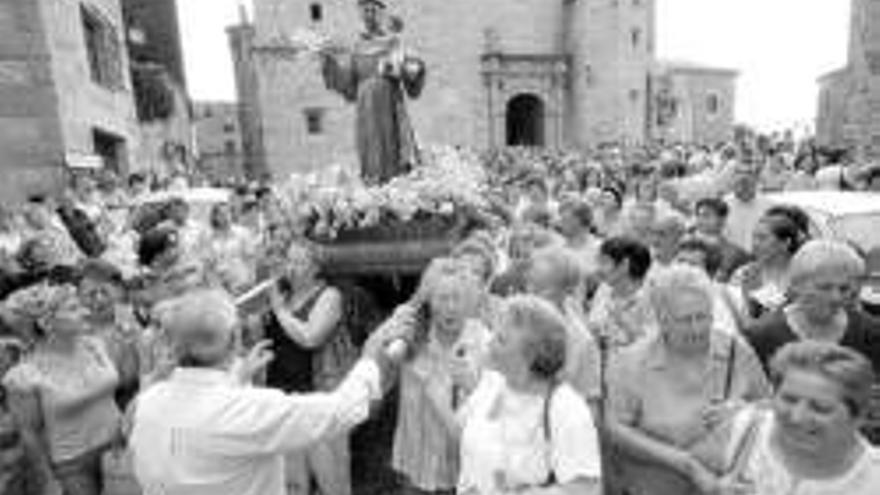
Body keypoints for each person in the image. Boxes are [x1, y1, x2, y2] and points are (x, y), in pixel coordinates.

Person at [127, 289, 410, 495]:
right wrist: (370, 357)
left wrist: (237, 377)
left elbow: (199, 412)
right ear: (235, 339)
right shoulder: (249, 409)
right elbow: (340, 410)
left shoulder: (148, 402)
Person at [606, 264, 771, 495]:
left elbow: (770, 407)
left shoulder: (736, 350)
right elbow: (616, 429)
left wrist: (741, 410)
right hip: (657, 486)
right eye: (685, 320)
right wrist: (684, 463)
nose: (697, 329)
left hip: (726, 486)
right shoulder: (631, 361)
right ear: (662, 319)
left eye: (703, 317)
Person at [457, 296, 603, 495]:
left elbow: (587, 489)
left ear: (531, 355)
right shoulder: (491, 383)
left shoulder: (566, 408)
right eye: (495, 333)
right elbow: (466, 439)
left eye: (501, 340)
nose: (489, 342)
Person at [3, 283, 124, 495]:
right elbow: (28, 434)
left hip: (118, 448)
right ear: (46, 322)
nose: (85, 311)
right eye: (73, 308)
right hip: (74, 466)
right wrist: (48, 481)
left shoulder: (94, 345)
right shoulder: (24, 376)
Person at [719, 342, 880, 494]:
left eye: (820, 408)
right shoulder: (739, 429)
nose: (797, 417)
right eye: (789, 399)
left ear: (858, 417)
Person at [263, 243, 360, 495]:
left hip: (319, 395)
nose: (291, 268)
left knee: (332, 479)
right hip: (284, 395)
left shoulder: (329, 296)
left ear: (316, 268)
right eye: (289, 261)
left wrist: (279, 310)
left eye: (299, 262)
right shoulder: (281, 295)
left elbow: (310, 337)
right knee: (293, 482)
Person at [392, 259, 492, 495]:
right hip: (416, 460)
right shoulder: (412, 334)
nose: (450, 307)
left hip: (461, 467)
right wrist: (397, 323)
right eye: (442, 298)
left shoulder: (483, 341)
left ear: (469, 300)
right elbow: (381, 360)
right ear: (429, 300)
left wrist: (471, 384)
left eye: (457, 298)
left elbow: (493, 406)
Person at [320, 0, 426, 184]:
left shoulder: (393, 42)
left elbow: (411, 66)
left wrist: (411, 69)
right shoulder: (356, 47)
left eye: (373, 10)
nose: (369, 14)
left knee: (392, 142)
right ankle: (373, 183)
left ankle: (395, 183)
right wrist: (330, 64)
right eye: (365, 10)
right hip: (366, 104)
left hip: (388, 100)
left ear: (381, 13)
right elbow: (347, 81)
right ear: (361, 14)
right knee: (370, 146)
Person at [743, 240, 880, 374]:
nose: (836, 297)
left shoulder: (870, 332)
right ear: (796, 286)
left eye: (844, 289)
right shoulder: (761, 336)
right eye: (824, 288)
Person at [526, 246, 601, 410]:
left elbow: (590, 404)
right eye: (529, 285)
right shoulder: (513, 320)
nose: (531, 295)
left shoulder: (582, 341)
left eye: (542, 290)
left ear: (567, 290)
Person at [729, 208, 808, 321]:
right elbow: (736, 318)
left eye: (762, 238)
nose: (755, 244)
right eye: (754, 237)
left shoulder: (804, 274)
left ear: (785, 243)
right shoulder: (743, 274)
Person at [587, 237, 656, 348]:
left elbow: (652, 345)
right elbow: (592, 328)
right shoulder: (604, 289)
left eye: (604, 262)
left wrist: (622, 319)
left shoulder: (652, 297)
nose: (598, 269)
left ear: (624, 265)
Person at [692, 197, 751, 282]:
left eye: (706, 215)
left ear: (722, 220)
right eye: (698, 215)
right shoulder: (682, 246)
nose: (700, 220)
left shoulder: (737, 253)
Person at [724, 162, 770, 252]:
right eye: (740, 183)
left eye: (748, 183)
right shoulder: (722, 206)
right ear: (732, 182)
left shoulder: (769, 207)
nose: (744, 188)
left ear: (756, 181)